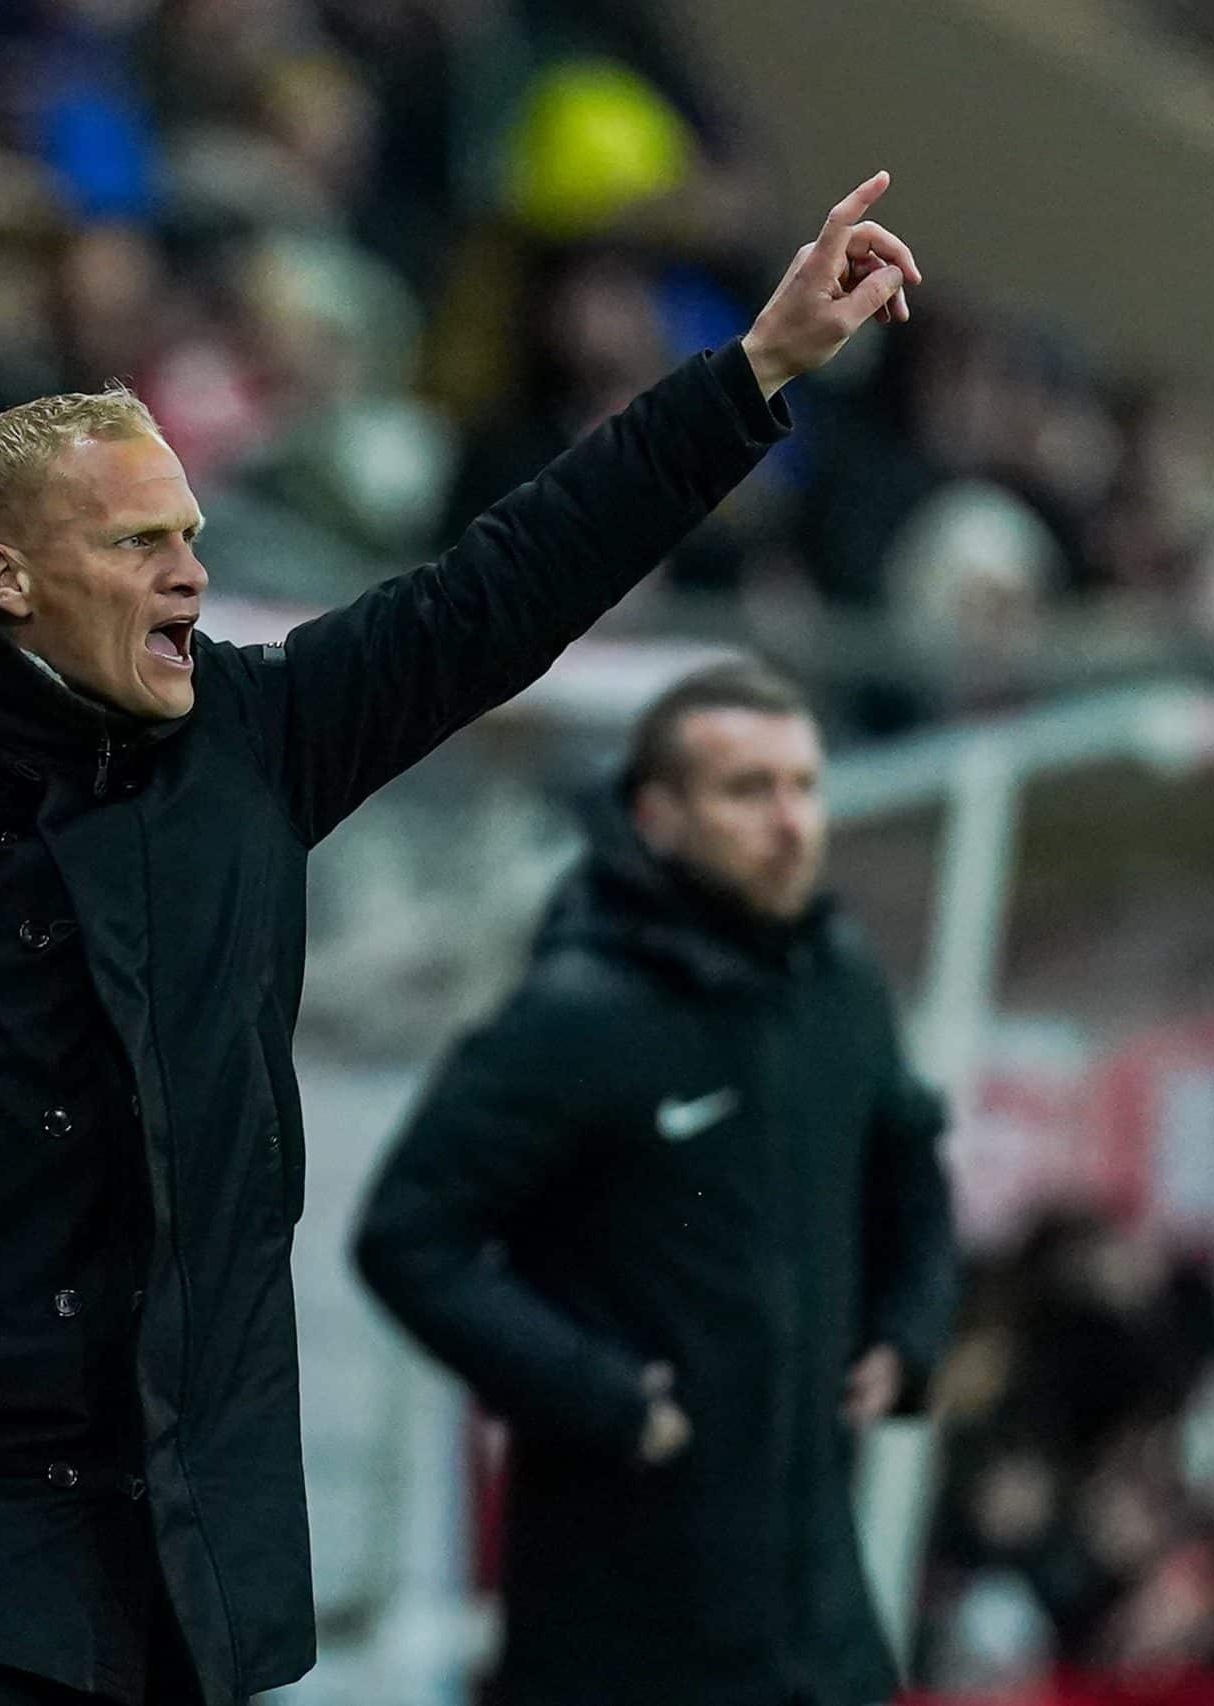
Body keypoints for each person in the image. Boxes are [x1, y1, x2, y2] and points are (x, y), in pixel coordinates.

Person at [0, 173, 921, 1706]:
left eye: (192, 533)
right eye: (142, 544)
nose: (192, 575)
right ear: (8, 579)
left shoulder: (255, 741)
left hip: (181, 1538)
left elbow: (507, 585)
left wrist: (752, 376)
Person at [353, 658, 959, 1706]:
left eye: (804, 785)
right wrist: (599, 1393)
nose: (790, 820)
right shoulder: (577, 1012)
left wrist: (907, 1336)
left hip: (823, 1644)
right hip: (619, 1641)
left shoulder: (842, 984)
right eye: (747, 789)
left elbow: (913, 1167)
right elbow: (407, 1236)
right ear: (655, 813)